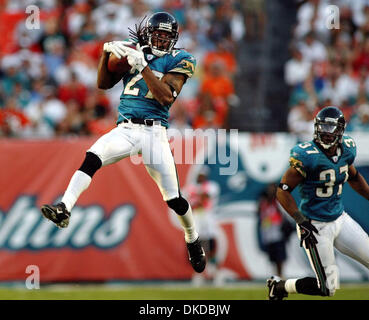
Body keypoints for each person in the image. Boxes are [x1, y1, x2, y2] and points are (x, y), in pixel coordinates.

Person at [40, 12, 206, 274]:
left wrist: (142, 67)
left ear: (174, 39)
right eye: (158, 36)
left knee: (174, 199)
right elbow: (103, 83)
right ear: (150, 35)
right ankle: (64, 207)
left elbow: (165, 97)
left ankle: (192, 238)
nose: (162, 41)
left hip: (154, 134)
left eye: (166, 37)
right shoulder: (136, 51)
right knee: (92, 156)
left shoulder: (182, 59)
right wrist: (106, 54)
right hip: (126, 128)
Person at [267, 106, 369, 300]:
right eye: (323, 127)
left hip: (340, 218)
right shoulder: (307, 156)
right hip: (315, 226)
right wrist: (301, 221)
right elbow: (282, 191)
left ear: (340, 131)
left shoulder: (347, 149)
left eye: (331, 129)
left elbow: (354, 178)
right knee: (327, 288)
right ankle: (279, 287)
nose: (326, 133)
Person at [184, 166, 220, 284]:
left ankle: (212, 271)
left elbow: (206, 196)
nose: (201, 178)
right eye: (200, 175)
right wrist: (198, 198)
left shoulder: (212, 186)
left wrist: (198, 198)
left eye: (203, 175)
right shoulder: (191, 188)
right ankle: (199, 272)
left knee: (210, 244)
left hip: (208, 217)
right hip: (196, 218)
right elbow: (191, 202)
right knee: (197, 245)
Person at [257, 183, 292, 278]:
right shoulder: (263, 202)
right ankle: (275, 275)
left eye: (272, 189)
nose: (270, 191)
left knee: (280, 257)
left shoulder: (278, 202)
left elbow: (285, 215)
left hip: (278, 233)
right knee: (272, 257)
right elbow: (259, 214)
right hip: (268, 233)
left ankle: (280, 275)